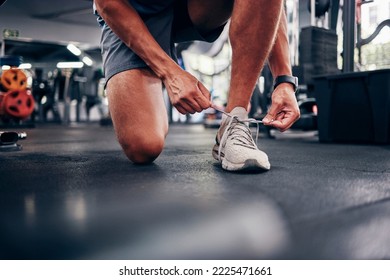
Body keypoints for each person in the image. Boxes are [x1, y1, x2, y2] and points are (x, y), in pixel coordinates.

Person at [94, 0, 300, 172]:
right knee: (143, 146)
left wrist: (284, 80)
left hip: (189, 6)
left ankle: (234, 123)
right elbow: (106, 2)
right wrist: (170, 73)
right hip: (129, 12)